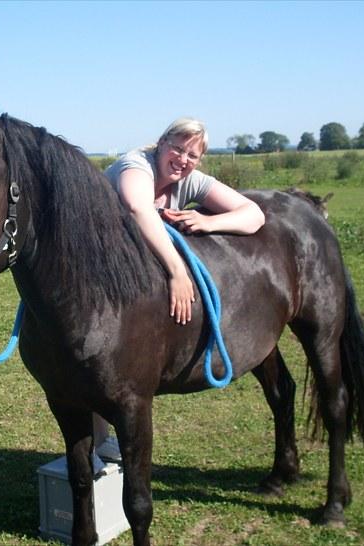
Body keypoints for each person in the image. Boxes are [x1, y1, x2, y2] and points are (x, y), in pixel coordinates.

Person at [94, 117, 266, 463]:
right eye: (177, 148)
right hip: (96, 264)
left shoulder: (189, 179)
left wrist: (208, 221)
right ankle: (98, 441)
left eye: (193, 155)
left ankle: (102, 442)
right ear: (161, 143)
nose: (183, 160)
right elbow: (136, 208)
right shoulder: (136, 166)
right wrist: (177, 271)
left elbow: (254, 215)